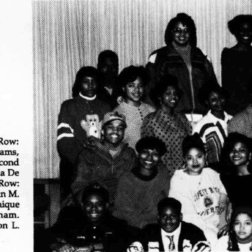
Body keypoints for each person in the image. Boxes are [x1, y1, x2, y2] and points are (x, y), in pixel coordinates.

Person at [146, 13, 218, 114]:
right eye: (177, 30)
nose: (182, 34)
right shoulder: (159, 56)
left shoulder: (201, 56)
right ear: (171, 32)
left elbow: (212, 87)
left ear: (191, 33)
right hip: (174, 116)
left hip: (202, 116)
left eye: (186, 30)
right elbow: (150, 89)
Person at [57, 66, 111, 198]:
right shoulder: (69, 106)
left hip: (101, 163)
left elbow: (109, 137)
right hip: (74, 164)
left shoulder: (106, 106)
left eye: (94, 81)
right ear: (78, 84)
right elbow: (64, 142)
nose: (90, 85)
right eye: (86, 81)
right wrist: (83, 160)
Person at [169, 134, 228, 246]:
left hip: (219, 224)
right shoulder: (179, 180)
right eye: (190, 158)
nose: (195, 161)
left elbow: (224, 185)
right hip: (198, 229)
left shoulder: (210, 173)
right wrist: (214, 233)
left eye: (199, 156)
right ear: (184, 159)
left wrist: (223, 198)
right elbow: (189, 217)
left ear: (205, 156)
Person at [70, 111, 136, 207]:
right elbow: (79, 186)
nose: (115, 131)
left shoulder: (129, 154)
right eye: (110, 127)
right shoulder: (88, 153)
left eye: (120, 128)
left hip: (121, 206)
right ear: (102, 131)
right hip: (93, 205)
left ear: (124, 132)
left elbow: (133, 186)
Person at [48, 183, 136, 252]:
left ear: (106, 206)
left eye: (99, 204)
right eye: (89, 204)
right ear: (82, 205)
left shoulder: (116, 224)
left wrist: (93, 247)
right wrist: (57, 245)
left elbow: (126, 240)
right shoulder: (70, 221)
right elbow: (44, 236)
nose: (93, 209)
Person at [113, 136, 170, 229]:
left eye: (155, 154)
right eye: (145, 152)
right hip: (132, 227)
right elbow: (124, 212)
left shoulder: (162, 173)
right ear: (138, 154)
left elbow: (169, 198)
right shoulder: (126, 179)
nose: (149, 157)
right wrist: (146, 226)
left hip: (158, 225)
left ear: (159, 158)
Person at [141, 75, 191, 175]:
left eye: (175, 93)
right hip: (162, 173)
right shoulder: (151, 120)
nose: (173, 97)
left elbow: (190, 144)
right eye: (168, 93)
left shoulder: (182, 118)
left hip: (183, 171)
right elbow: (147, 151)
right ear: (160, 96)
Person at [128, 197, 209, 252]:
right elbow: (134, 248)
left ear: (180, 217)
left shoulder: (193, 232)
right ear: (158, 217)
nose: (168, 220)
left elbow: (204, 249)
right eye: (164, 216)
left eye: (173, 216)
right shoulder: (148, 232)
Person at [113, 66, 155, 150]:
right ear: (123, 87)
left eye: (140, 85)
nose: (137, 90)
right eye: (131, 85)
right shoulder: (117, 113)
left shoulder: (151, 110)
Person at [193, 85, 232, 171]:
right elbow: (197, 154)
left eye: (221, 98)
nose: (219, 102)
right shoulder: (202, 126)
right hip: (213, 173)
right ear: (207, 102)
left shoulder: (233, 120)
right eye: (213, 100)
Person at [221, 15, 252, 115]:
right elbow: (227, 85)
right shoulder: (228, 54)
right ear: (235, 32)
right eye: (242, 30)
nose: (246, 33)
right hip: (235, 107)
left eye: (249, 29)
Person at [220, 133, 252, 208]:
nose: (236, 153)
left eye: (241, 150)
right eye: (232, 150)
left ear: (250, 155)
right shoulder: (226, 178)